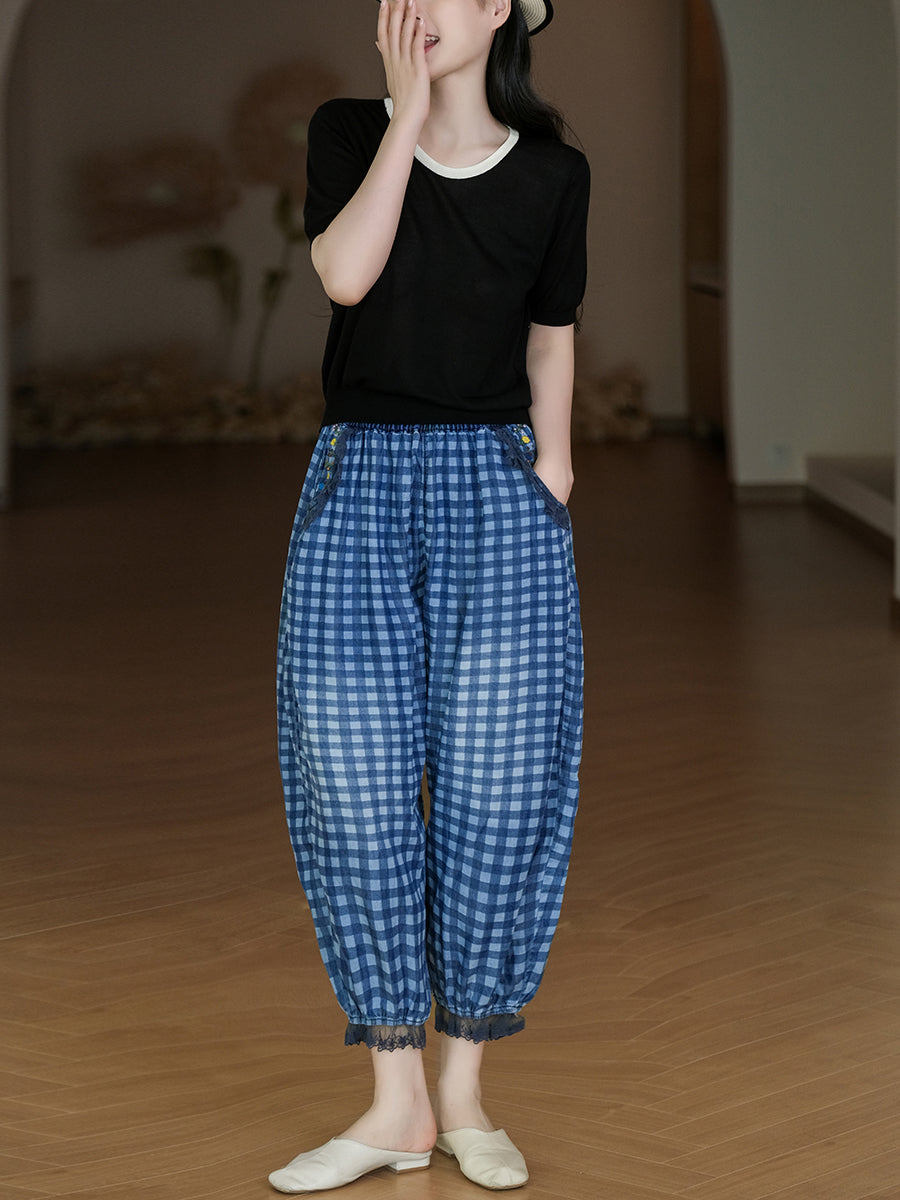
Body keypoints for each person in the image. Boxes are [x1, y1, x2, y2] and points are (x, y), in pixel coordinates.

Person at [270, 0, 589, 1192]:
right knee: (352, 791)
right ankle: (394, 1101)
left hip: (499, 492)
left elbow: (551, 332)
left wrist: (554, 471)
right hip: (358, 482)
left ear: (501, 7)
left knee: (497, 798)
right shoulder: (348, 131)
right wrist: (405, 120)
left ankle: (461, 1091)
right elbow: (346, 276)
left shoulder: (554, 173)